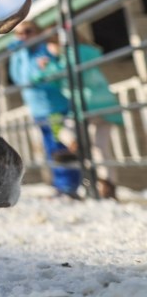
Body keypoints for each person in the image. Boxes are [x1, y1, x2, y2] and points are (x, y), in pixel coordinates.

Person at [40, 33, 122, 200]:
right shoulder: (81, 52)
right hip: (101, 104)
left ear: (57, 43)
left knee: (68, 133)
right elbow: (54, 79)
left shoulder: (73, 54)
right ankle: (108, 185)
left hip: (90, 105)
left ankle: (78, 149)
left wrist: (47, 67)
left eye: (49, 44)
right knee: (100, 147)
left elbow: (64, 73)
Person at [8, 21, 82, 198]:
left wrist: (40, 72)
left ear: (37, 32)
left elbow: (53, 73)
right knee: (51, 147)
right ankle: (62, 184)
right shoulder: (19, 54)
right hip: (37, 109)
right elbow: (19, 78)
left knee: (60, 146)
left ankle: (69, 186)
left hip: (55, 107)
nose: (23, 36)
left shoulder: (46, 48)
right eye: (19, 34)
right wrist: (21, 53)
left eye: (28, 31)